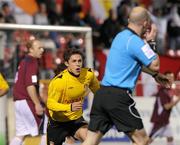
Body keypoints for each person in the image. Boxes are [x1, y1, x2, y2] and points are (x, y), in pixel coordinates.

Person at [80, 6, 171, 145]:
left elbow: (131, 64)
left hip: (102, 93)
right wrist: (151, 41)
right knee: (142, 141)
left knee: (90, 141)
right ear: (146, 24)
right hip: (118, 97)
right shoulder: (135, 41)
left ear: (129, 20)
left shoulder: (120, 36)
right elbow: (155, 64)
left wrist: (154, 75)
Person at [46, 48, 100, 145]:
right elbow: (50, 104)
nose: (78, 64)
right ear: (67, 63)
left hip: (76, 120)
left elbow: (99, 92)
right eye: (74, 61)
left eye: (80, 61)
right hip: (58, 122)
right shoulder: (59, 81)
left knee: (91, 141)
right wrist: (69, 107)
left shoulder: (88, 74)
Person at [10, 38, 46, 145]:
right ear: (30, 49)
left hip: (18, 102)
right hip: (27, 102)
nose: (42, 50)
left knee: (20, 135)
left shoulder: (24, 61)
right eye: (39, 48)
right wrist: (37, 104)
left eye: (42, 47)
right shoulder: (32, 62)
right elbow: (30, 85)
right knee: (46, 130)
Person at [149, 71, 180, 145]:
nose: (172, 79)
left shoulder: (169, 90)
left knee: (170, 137)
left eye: (173, 77)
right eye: (169, 77)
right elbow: (167, 106)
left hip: (165, 121)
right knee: (148, 140)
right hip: (160, 121)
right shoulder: (163, 91)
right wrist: (178, 99)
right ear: (165, 79)